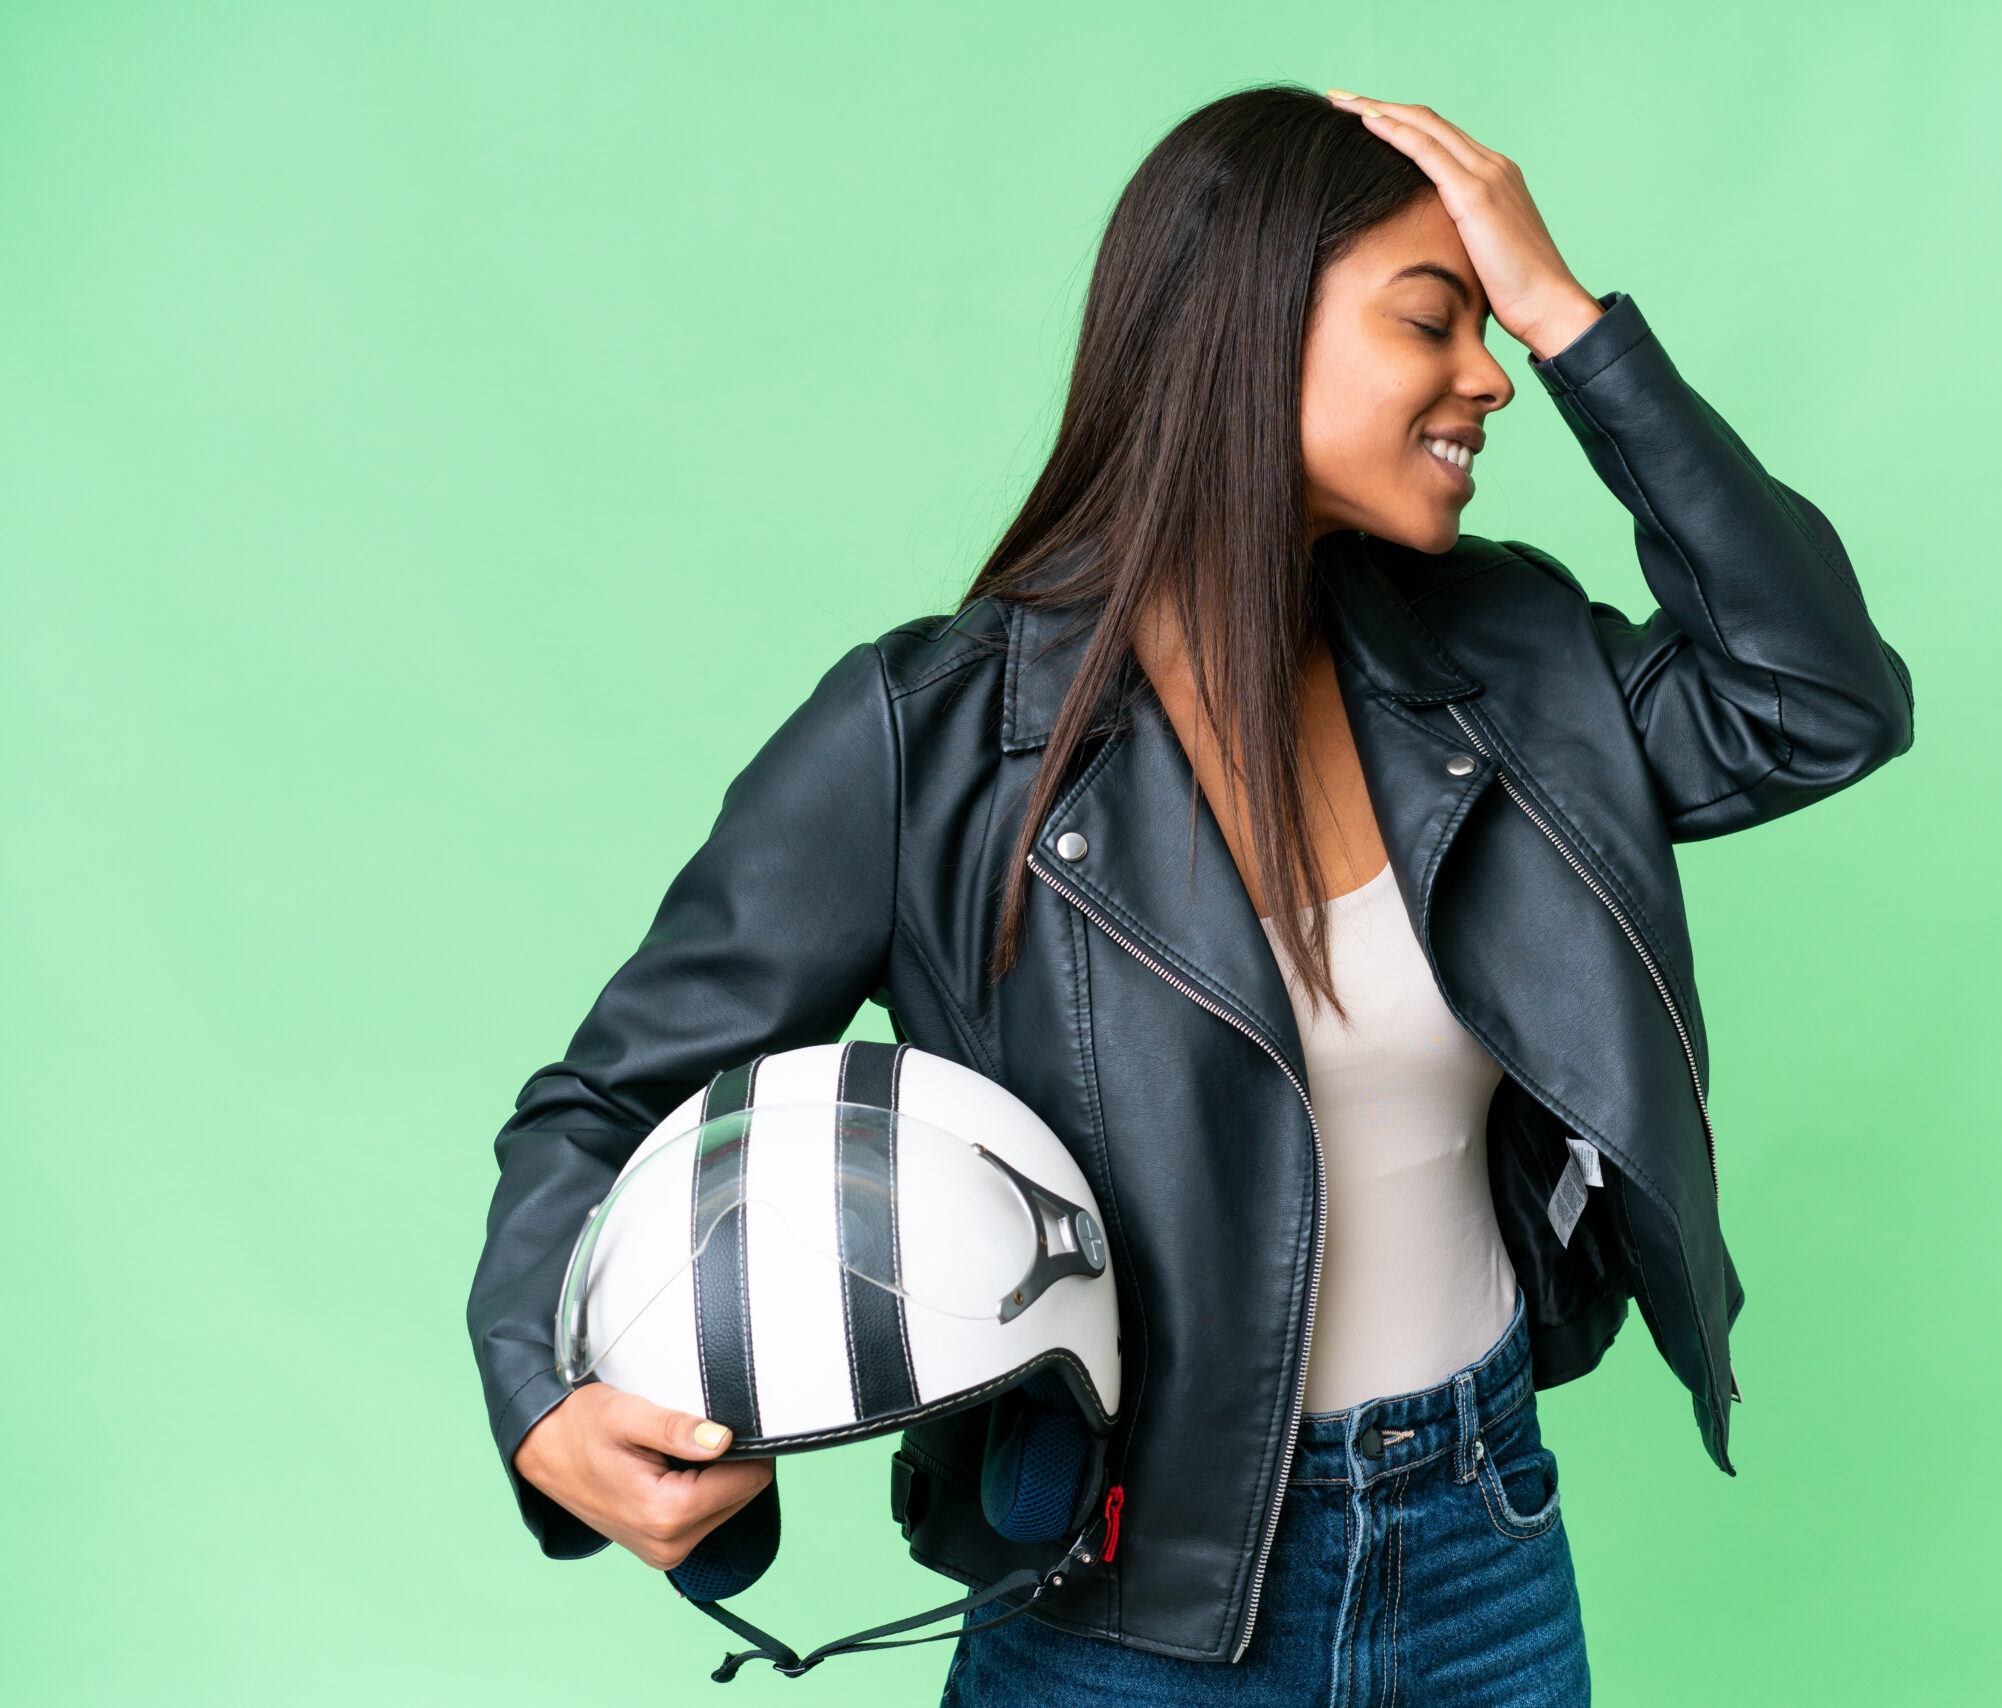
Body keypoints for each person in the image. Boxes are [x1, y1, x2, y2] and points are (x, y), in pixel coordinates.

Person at [467, 83, 1913, 1706]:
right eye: (1434, 322)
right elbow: (604, 1103)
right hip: (1120, 1614)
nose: (1485, 374)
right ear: (1246, 335)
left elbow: (1820, 699)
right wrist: (542, 1396)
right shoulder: (931, 740)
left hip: (1482, 1546)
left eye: (1496, 327)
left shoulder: (1509, 659)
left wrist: (1584, 328)